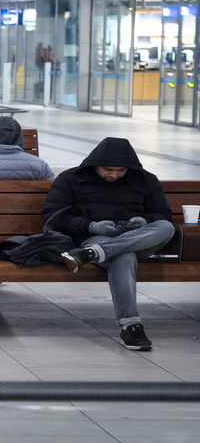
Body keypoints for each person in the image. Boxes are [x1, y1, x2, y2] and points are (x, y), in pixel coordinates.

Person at [42, 137, 176, 351]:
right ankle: (131, 326)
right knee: (124, 257)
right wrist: (94, 227)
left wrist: (144, 221)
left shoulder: (145, 180)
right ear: (95, 164)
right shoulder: (71, 179)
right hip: (96, 237)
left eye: (121, 170)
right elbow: (53, 218)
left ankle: (92, 254)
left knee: (167, 227)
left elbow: (162, 214)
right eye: (108, 169)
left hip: (138, 237)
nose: (114, 175)